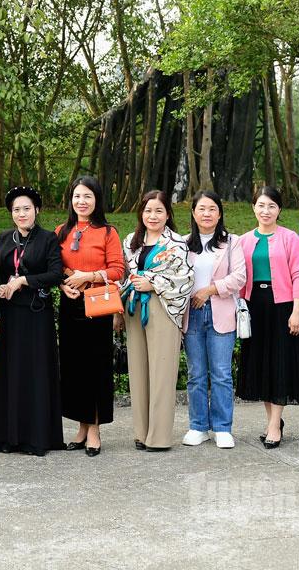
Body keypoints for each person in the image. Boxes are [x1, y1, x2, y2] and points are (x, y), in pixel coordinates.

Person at [0, 186, 65, 456]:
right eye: (16, 210)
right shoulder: (5, 238)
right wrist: (0, 290)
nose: (21, 214)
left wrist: (24, 280)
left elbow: (56, 274)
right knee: (10, 373)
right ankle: (7, 438)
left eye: (26, 209)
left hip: (36, 316)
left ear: (37, 211)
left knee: (36, 374)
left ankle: (37, 438)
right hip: (9, 315)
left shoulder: (47, 239)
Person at [234, 186, 299, 449]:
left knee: (279, 364)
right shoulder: (243, 240)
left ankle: (273, 426)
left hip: (283, 306)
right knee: (262, 365)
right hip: (254, 306)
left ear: (279, 209)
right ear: (253, 207)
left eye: (271, 206)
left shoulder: (291, 238)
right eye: (261, 205)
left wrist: (297, 310)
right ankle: (273, 422)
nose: (265, 211)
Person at [56, 175, 125, 457]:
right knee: (73, 368)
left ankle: (95, 428)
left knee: (95, 367)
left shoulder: (108, 232)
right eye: (77, 196)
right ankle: (81, 427)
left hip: (97, 304)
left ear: (96, 200)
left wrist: (90, 276)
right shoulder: (61, 231)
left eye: (87, 196)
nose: (81, 201)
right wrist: (63, 283)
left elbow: (118, 270)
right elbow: (54, 266)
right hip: (69, 303)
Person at [121, 190, 192, 452]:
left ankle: (159, 437)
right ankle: (141, 433)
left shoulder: (176, 243)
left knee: (161, 373)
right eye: (148, 210)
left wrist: (153, 283)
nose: (153, 215)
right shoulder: (130, 241)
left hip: (162, 308)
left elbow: (185, 280)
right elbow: (123, 274)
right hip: (133, 309)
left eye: (159, 211)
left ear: (168, 214)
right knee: (138, 372)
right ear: (141, 212)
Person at [181, 191, 246, 450]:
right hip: (191, 314)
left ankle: (222, 428)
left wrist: (209, 290)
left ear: (219, 214)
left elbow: (239, 277)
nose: (206, 214)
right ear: (194, 214)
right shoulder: (183, 243)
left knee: (221, 373)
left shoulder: (232, 242)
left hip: (220, 311)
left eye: (212, 209)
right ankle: (198, 426)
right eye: (201, 209)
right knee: (196, 373)